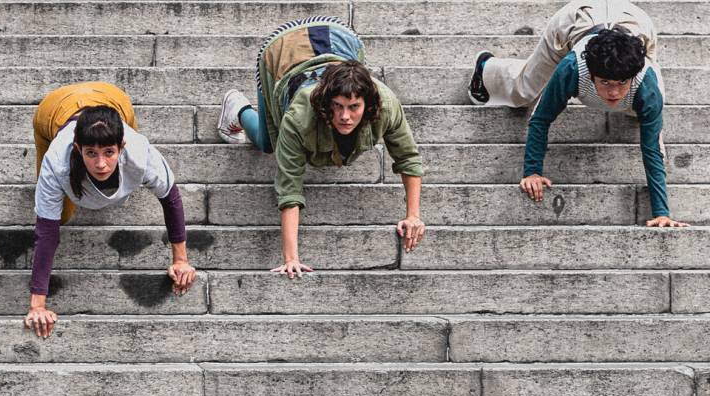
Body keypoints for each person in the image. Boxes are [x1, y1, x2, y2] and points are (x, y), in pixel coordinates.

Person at [216, 17, 426, 277]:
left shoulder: (386, 104)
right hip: (282, 51)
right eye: (337, 106)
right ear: (327, 104)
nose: (345, 116)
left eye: (353, 107)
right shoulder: (300, 117)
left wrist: (413, 215)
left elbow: (407, 157)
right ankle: (238, 109)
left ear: (368, 105)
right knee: (269, 142)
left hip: (338, 36)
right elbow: (289, 185)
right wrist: (291, 258)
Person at [468, 0, 685, 227]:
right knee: (524, 92)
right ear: (590, 74)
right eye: (605, 82)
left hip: (637, 23)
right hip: (573, 24)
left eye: (622, 83)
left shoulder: (646, 83)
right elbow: (541, 119)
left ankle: (628, 90)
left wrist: (662, 212)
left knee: (645, 113)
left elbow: (651, 146)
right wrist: (532, 172)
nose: (613, 92)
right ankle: (487, 68)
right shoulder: (572, 67)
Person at [26, 82, 196, 339]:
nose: (101, 163)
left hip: (112, 98)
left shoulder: (139, 151)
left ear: (122, 147)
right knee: (60, 215)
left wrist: (181, 260)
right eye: (91, 154)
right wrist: (37, 305)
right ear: (77, 149)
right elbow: (47, 232)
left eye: (109, 152)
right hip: (54, 108)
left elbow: (170, 196)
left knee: (134, 175)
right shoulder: (57, 161)